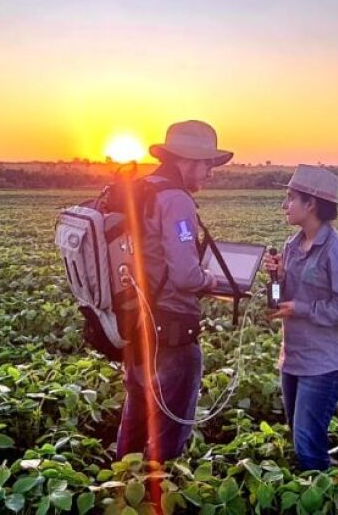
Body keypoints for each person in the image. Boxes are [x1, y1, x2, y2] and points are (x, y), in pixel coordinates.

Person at [115, 119, 232, 462]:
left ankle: (121, 494)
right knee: (169, 433)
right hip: (171, 330)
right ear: (186, 161)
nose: (210, 173)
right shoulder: (175, 199)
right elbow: (184, 275)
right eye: (207, 164)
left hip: (136, 326)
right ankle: (158, 495)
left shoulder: (142, 188)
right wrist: (208, 279)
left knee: (134, 423)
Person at [263, 164, 338, 471]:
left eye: (290, 198)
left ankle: (324, 495)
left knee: (308, 447)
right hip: (292, 359)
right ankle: (324, 487)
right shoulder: (291, 246)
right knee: (301, 440)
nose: (285, 205)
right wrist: (276, 278)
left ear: (311, 204)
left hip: (323, 364)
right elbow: (277, 303)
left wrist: (303, 308)